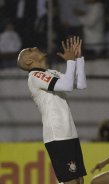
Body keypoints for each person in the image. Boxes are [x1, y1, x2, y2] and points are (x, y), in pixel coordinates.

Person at [17, 36, 87, 184]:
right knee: (71, 181)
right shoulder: (35, 76)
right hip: (57, 133)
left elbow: (79, 84)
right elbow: (67, 86)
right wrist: (69, 61)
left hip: (69, 131)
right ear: (29, 61)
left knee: (79, 180)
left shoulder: (51, 72)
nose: (34, 47)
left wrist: (78, 59)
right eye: (30, 50)